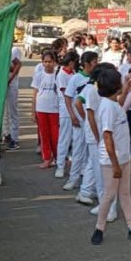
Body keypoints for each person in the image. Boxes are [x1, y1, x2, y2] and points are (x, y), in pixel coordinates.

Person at [90, 67, 131, 246]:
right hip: (112, 161)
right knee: (109, 195)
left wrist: (126, 89)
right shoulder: (106, 108)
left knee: (125, 193)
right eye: (120, 82)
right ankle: (99, 228)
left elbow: (118, 106)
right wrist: (115, 165)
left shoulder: (113, 103)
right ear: (114, 87)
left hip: (124, 158)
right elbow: (107, 136)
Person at [79, 63, 119, 222]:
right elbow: (90, 115)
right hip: (96, 137)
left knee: (105, 175)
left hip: (102, 137)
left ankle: (111, 208)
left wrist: (100, 138)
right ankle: (105, 204)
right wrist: (97, 137)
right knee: (99, 173)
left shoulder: (103, 91)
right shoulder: (91, 90)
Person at [63, 51, 98, 195]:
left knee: (92, 154)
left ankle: (92, 184)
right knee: (78, 150)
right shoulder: (76, 78)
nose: (97, 64)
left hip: (93, 120)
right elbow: (68, 98)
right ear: (87, 64)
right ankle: (73, 178)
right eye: (95, 62)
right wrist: (73, 116)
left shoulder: (97, 78)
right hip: (80, 120)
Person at [31, 51, 59, 169]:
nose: (48, 64)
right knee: (44, 135)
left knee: (55, 135)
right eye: (45, 62)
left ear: (54, 62)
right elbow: (35, 93)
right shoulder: (39, 75)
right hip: (41, 108)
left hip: (55, 109)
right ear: (42, 62)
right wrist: (33, 111)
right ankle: (47, 158)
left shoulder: (58, 75)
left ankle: (58, 158)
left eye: (50, 62)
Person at [54, 51, 78, 179]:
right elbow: (67, 95)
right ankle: (60, 166)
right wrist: (72, 113)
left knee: (76, 139)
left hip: (75, 109)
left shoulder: (73, 73)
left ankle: (75, 165)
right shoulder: (62, 75)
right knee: (64, 138)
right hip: (66, 110)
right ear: (71, 62)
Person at [2, 45, 22, 151]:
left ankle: (15, 139)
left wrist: (10, 78)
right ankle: (6, 134)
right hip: (1, 85)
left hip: (11, 85)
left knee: (12, 111)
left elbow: (18, 65)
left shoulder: (13, 50)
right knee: (4, 111)